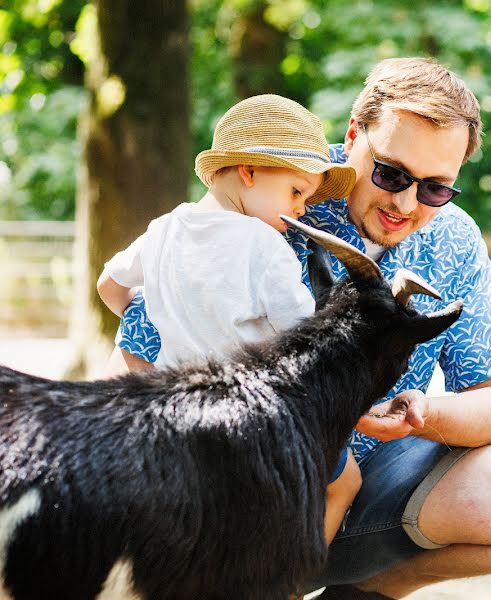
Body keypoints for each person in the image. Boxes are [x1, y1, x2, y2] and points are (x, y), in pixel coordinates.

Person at [107, 58, 491, 599]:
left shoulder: (456, 237)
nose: (405, 203)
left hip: (370, 475)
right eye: (391, 174)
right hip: (239, 484)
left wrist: (420, 415)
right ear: (353, 135)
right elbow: (135, 357)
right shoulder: (265, 190)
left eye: (434, 188)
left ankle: (357, 593)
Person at [96, 93, 362, 545]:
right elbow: (308, 339)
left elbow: (108, 282)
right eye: (297, 192)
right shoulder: (267, 248)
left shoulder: (164, 229)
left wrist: (142, 312)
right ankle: (288, 579)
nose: (301, 209)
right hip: (250, 419)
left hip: (177, 415)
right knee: (345, 482)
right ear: (249, 170)